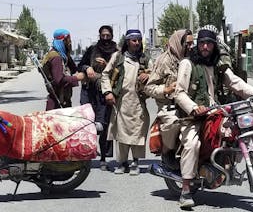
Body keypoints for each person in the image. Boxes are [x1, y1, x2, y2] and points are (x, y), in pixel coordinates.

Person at [174, 28, 253, 209]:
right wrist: (194, 108)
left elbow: (234, 82)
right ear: (197, 45)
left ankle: (225, 165)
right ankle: (185, 189)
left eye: (209, 43)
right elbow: (179, 93)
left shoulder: (216, 64)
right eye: (202, 43)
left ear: (214, 46)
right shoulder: (187, 64)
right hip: (193, 116)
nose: (205, 47)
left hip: (214, 112)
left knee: (234, 131)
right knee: (192, 143)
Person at [100, 29, 151, 175]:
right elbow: (105, 74)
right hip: (121, 101)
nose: (136, 43)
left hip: (138, 102)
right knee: (121, 133)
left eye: (139, 40)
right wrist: (108, 92)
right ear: (127, 42)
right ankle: (122, 163)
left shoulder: (144, 59)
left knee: (137, 132)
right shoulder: (118, 57)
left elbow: (155, 73)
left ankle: (135, 162)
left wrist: (147, 74)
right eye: (133, 40)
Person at [144, 29, 193, 161]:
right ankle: (167, 151)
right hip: (169, 107)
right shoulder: (164, 61)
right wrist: (166, 90)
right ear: (179, 43)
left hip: (190, 103)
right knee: (173, 123)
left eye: (192, 43)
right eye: (187, 44)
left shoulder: (192, 59)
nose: (190, 47)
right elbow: (149, 88)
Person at [78, 25, 118, 167]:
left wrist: (107, 65)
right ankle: (85, 156)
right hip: (90, 92)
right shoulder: (92, 50)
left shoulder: (116, 52)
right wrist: (87, 68)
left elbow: (119, 71)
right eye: (103, 35)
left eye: (108, 35)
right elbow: (81, 65)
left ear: (112, 36)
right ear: (99, 35)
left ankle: (104, 159)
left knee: (104, 125)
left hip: (106, 93)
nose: (105, 38)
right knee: (87, 123)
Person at [41, 29, 82, 110]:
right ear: (63, 41)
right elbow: (59, 80)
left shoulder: (62, 56)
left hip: (62, 100)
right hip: (58, 103)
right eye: (68, 40)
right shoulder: (56, 57)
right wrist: (76, 78)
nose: (70, 42)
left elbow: (74, 68)